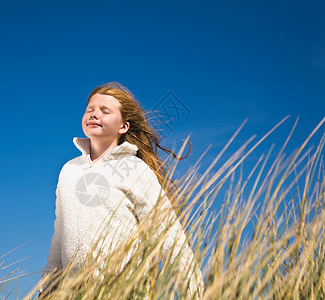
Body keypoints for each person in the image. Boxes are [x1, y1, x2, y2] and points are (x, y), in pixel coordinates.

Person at [40, 82, 203, 298]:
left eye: (104, 111)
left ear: (123, 126)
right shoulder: (69, 170)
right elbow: (60, 235)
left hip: (125, 291)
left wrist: (197, 291)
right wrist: (47, 289)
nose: (94, 114)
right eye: (90, 109)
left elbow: (169, 234)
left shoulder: (135, 169)